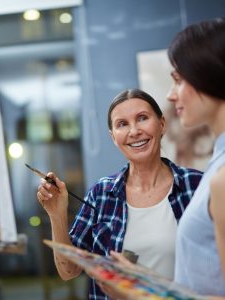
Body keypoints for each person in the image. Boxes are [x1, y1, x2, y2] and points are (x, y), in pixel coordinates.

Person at [100, 18, 225, 299]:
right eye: (121, 124)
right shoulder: (218, 162)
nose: (170, 95)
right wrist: (147, 281)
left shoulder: (218, 178)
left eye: (179, 81)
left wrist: (144, 291)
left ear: (210, 75)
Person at [36, 88, 203, 300]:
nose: (134, 131)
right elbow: (68, 271)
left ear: (161, 124)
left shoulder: (196, 186)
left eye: (142, 118)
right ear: (113, 136)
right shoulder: (101, 193)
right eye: (122, 124)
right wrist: (57, 213)